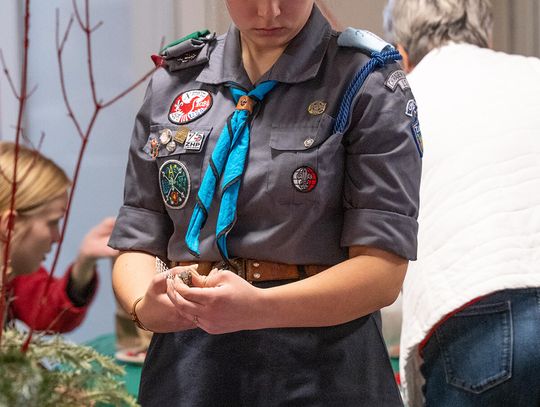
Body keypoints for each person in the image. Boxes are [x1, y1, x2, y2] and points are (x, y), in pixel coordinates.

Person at [110, 1, 421, 405]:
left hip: (322, 367)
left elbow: (382, 272)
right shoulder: (175, 82)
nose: (269, 12)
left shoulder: (365, 80)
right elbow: (139, 236)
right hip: (189, 368)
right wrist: (144, 306)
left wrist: (258, 308)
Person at [383, 1, 540, 406]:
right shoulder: (534, 73)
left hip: (480, 320)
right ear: (487, 36)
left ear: (401, 55)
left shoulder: (399, 103)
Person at [0, 141, 118, 333]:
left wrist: (84, 263)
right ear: (10, 225)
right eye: (52, 222)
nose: (57, 238)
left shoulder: (13, 271)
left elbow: (45, 310)